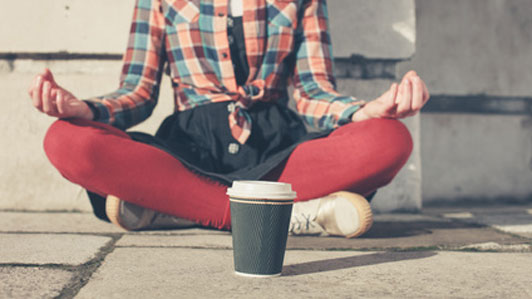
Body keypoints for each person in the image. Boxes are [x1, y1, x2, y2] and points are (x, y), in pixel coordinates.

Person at [28, 0, 429, 238]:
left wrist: (363, 112)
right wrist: (85, 110)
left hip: (278, 152)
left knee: (389, 139)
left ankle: (176, 211)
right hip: (188, 150)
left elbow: (312, 92)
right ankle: (288, 215)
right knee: (66, 140)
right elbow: (138, 92)